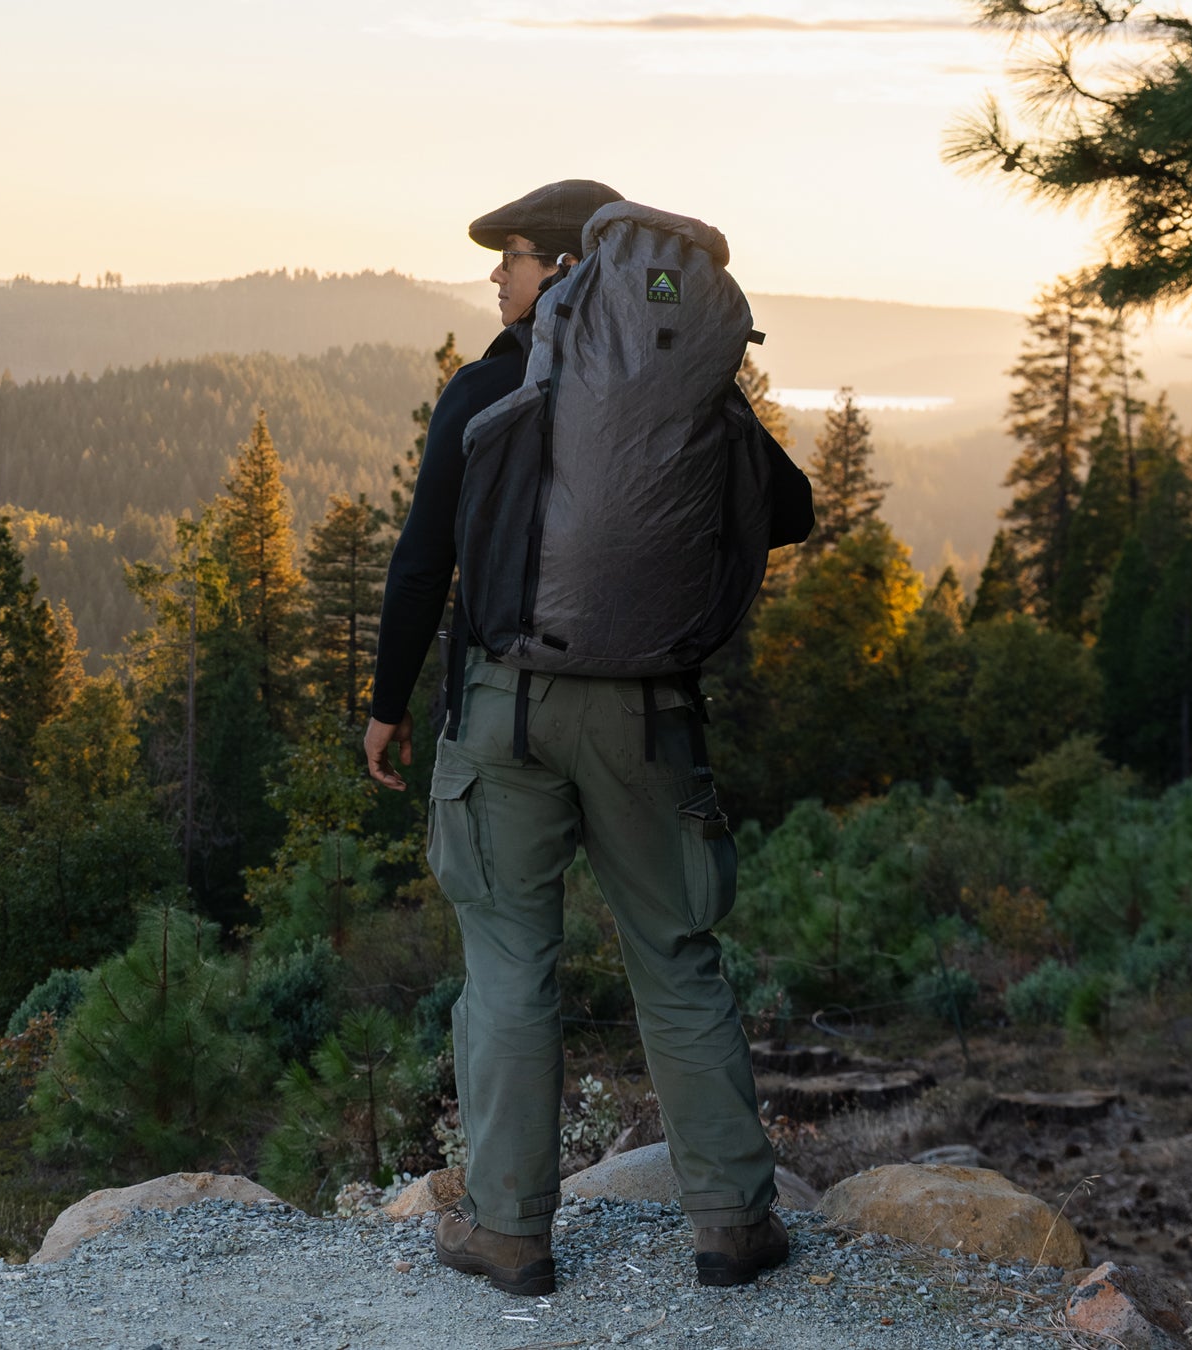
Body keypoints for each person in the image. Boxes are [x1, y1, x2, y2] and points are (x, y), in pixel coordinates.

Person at [363, 179, 786, 1296]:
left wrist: (386, 700)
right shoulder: (685, 402)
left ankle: (508, 1234)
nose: (495, 278)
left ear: (558, 269)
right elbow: (787, 510)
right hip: (649, 717)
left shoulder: (485, 388)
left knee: (507, 963)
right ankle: (733, 1224)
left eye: (507, 258)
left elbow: (420, 560)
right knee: (678, 959)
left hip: (506, 711)